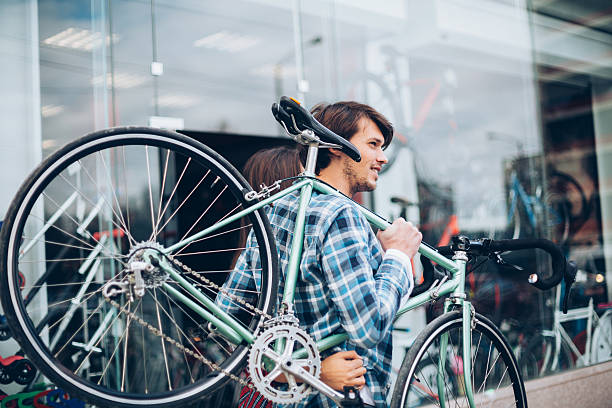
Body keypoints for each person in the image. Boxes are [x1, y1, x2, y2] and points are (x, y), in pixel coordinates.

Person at [218, 101, 422, 408]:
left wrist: (299, 371)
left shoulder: (272, 213)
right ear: (337, 147)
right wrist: (398, 256)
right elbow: (368, 328)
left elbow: (224, 321)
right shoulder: (342, 214)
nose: (382, 157)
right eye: (373, 145)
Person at [237, 146, 369, 408]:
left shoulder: (258, 250)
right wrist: (311, 371)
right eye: (299, 180)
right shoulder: (264, 252)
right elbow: (234, 343)